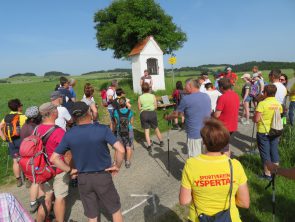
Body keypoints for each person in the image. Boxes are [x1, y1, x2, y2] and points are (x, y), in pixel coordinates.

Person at [50, 101, 125, 222]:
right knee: (115, 210)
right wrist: (117, 165)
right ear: (89, 112)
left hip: (83, 178)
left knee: (92, 215)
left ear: (74, 117)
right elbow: (120, 150)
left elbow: (54, 158)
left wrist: (70, 170)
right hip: (102, 176)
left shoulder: (69, 134)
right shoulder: (102, 129)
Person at [179, 118, 250, 222]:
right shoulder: (235, 165)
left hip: (199, 217)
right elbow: (244, 203)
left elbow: (184, 200)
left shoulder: (191, 164)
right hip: (230, 218)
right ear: (225, 142)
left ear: (204, 141)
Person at [35, 102, 68, 222]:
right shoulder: (59, 132)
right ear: (53, 113)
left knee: (47, 197)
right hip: (58, 169)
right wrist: (70, 169)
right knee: (60, 197)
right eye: (56, 109)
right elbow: (67, 153)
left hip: (42, 168)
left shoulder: (36, 129)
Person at [165, 79, 211, 157]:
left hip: (194, 135)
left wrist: (168, 117)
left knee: (195, 161)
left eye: (185, 86)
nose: (184, 88)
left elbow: (177, 114)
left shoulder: (186, 99)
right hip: (207, 133)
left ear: (190, 86)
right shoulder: (206, 96)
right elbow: (209, 110)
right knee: (206, 158)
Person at [254, 84, 283, 180]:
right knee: (274, 151)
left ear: (265, 93)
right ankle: (275, 172)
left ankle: (267, 174)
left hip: (263, 131)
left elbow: (257, 119)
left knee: (265, 153)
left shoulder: (262, 104)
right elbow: (281, 117)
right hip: (275, 130)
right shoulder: (278, 104)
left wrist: (254, 116)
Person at [20, 106, 42, 212]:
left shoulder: (24, 126)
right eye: (38, 115)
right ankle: (39, 203)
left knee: (34, 180)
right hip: (34, 157)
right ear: (34, 118)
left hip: (25, 158)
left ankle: (34, 201)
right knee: (38, 181)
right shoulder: (35, 128)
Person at [0, 99, 27, 187]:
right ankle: (29, 178)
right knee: (26, 159)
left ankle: (18, 180)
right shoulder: (23, 117)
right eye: (21, 105)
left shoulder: (6, 117)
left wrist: (4, 138)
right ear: (19, 107)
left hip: (11, 141)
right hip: (22, 140)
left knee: (15, 161)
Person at [138, 83, 164, 150]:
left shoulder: (140, 97)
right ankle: (161, 142)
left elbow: (139, 108)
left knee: (146, 130)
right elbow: (155, 107)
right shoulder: (153, 96)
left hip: (144, 113)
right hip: (152, 113)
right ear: (149, 89)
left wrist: (144, 108)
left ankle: (149, 145)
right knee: (156, 128)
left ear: (142, 89)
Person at [113, 97, 134, 168]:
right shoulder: (130, 112)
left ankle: (115, 162)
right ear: (126, 103)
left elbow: (116, 123)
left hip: (119, 130)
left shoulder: (116, 112)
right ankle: (127, 162)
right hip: (129, 130)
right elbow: (131, 123)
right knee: (128, 147)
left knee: (119, 147)